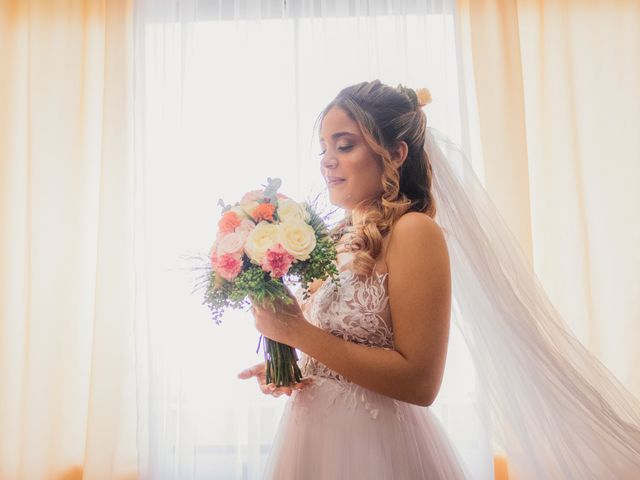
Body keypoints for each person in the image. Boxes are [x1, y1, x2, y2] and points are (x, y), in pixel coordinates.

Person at [239, 80, 640, 479]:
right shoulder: (339, 239)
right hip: (311, 445)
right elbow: (343, 350)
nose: (327, 161)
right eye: (324, 149)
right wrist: (291, 364)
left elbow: (420, 382)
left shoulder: (414, 232)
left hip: (372, 451)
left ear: (395, 154)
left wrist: (298, 333)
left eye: (344, 146)